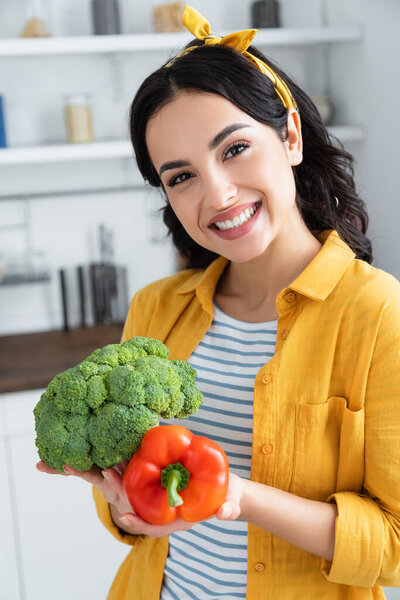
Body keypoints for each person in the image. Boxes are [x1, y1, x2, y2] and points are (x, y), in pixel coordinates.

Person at [37, 5, 400, 599]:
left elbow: (395, 544)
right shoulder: (156, 308)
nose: (218, 193)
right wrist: (125, 508)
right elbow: (134, 510)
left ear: (290, 136)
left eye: (233, 149)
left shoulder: (379, 315)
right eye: (181, 177)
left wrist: (238, 497)